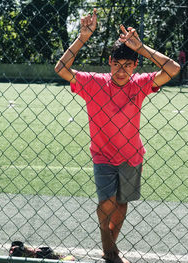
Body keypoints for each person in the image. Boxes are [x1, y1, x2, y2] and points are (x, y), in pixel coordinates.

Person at [54, 9, 180, 263]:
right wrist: (83, 37)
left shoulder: (140, 84)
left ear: (134, 67)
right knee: (108, 200)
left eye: (127, 66)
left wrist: (142, 48)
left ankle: (110, 249)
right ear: (109, 61)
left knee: (122, 205)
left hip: (132, 156)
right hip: (103, 155)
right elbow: (61, 68)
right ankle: (107, 241)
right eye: (117, 64)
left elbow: (173, 68)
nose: (121, 71)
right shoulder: (93, 83)